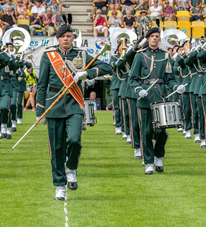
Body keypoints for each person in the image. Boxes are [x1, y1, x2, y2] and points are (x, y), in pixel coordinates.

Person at [36, 24, 112, 200]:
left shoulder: (82, 54)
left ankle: (71, 168)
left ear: (73, 38)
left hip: (74, 103)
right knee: (56, 148)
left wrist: (87, 73)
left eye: (69, 36)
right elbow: (42, 84)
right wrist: (40, 109)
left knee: (74, 140)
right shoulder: (49, 56)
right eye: (63, 36)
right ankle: (59, 185)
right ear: (58, 38)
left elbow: (107, 68)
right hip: (53, 103)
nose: (66, 39)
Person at [129, 28, 185, 174]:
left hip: (160, 97)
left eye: (157, 36)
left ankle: (158, 156)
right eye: (152, 36)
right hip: (144, 97)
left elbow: (170, 79)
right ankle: (148, 162)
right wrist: (138, 89)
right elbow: (133, 79)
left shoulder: (165, 56)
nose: (155, 38)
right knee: (146, 132)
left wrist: (176, 87)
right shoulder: (140, 56)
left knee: (161, 131)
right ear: (147, 39)